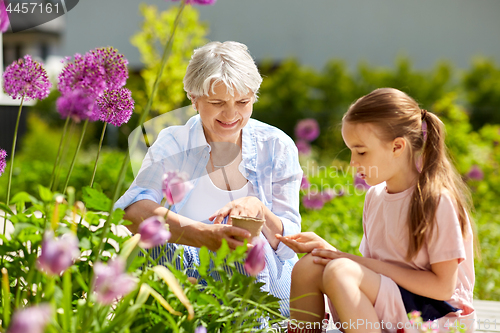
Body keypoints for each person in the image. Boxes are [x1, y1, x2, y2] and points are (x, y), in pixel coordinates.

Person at [115, 41, 302, 317]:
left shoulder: (275, 145)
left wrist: (259, 210)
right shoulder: (174, 142)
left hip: (262, 279)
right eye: (217, 103)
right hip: (189, 272)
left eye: (243, 102)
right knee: (148, 244)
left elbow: (289, 244)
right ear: (194, 98)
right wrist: (206, 237)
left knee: (241, 246)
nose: (231, 114)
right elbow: (133, 212)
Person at [277, 88, 476, 333]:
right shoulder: (375, 196)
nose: (353, 162)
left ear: (397, 147)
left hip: (437, 315)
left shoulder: (435, 200)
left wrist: (347, 261)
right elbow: (369, 267)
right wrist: (331, 253)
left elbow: (443, 287)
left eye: (361, 152)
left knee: (341, 270)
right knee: (310, 266)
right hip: (396, 300)